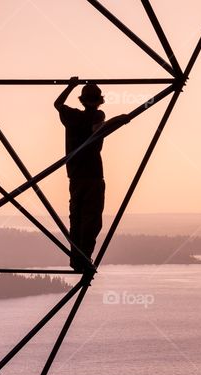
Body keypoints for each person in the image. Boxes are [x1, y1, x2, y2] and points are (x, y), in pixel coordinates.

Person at [54, 77, 129, 271]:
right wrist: (119, 120)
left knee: (76, 218)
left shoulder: (71, 116)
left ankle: (76, 260)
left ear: (82, 100)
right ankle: (84, 258)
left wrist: (70, 86)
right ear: (98, 102)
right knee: (91, 220)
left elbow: (58, 104)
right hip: (93, 175)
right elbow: (98, 132)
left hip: (74, 175)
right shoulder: (97, 116)